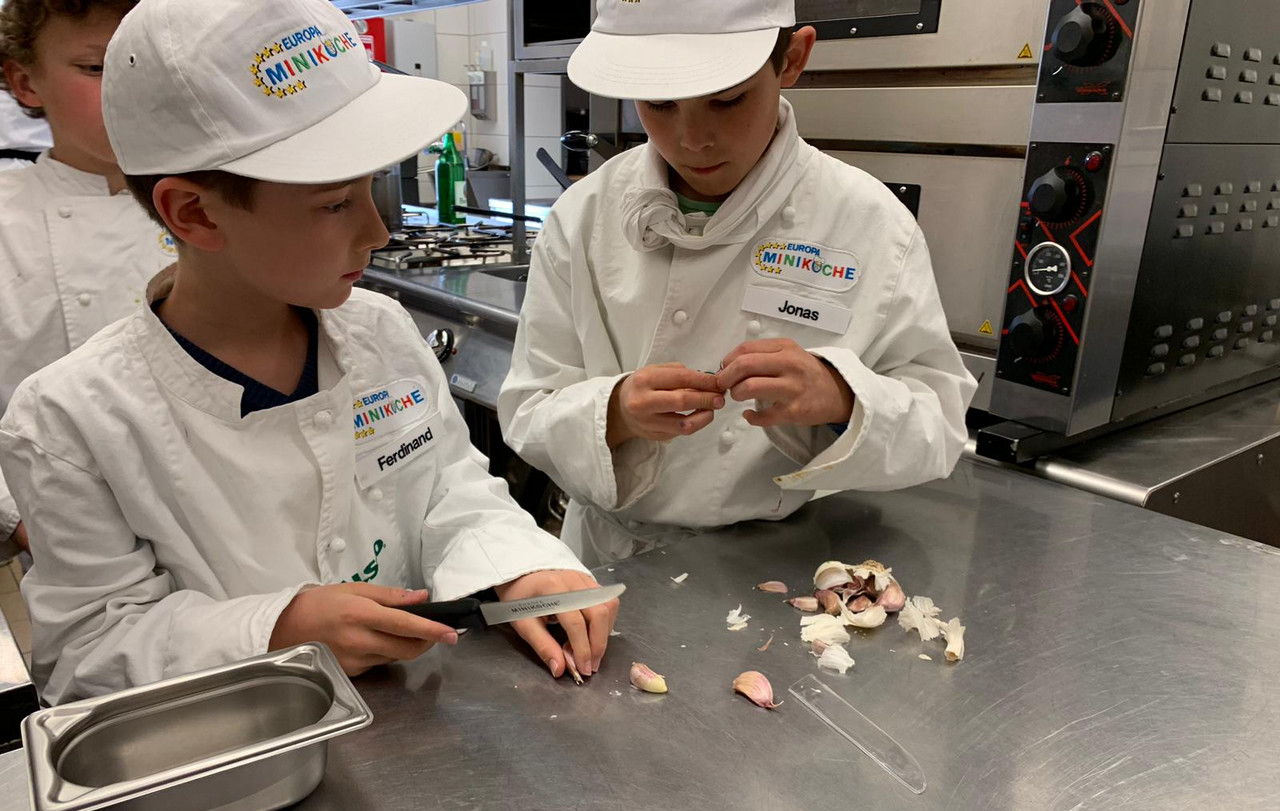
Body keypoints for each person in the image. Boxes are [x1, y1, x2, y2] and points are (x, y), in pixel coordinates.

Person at [0, 0, 617, 705]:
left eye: (372, 189)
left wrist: (518, 564)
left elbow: (450, 487)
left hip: (413, 722)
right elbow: (87, 652)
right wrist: (275, 630)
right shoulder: (68, 420)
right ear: (193, 213)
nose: (378, 232)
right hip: (238, 744)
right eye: (334, 204)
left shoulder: (379, 331)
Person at [498, 0, 978, 566]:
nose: (692, 139)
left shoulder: (870, 224)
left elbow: (940, 424)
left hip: (779, 561)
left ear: (792, 59)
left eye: (727, 100)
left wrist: (843, 398)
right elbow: (528, 409)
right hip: (607, 559)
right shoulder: (584, 215)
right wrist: (615, 413)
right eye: (659, 104)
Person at [0, 0, 177, 564]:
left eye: (145, 63)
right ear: (25, 82)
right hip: (76, 542)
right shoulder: (6, 223)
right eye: (97, 68)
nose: (130, 88)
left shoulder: (218, 206)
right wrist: (19, 517)